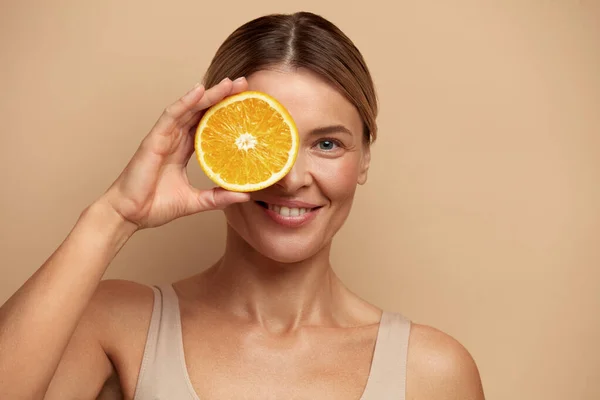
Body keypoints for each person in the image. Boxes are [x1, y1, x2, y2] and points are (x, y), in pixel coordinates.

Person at [0, 11, 484, 400]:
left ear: (364, 160)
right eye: (263, 143)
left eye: (328, 145)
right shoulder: (115, 324)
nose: (292, 179)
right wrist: (115, 216)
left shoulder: (432, 371)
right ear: (214, 146)